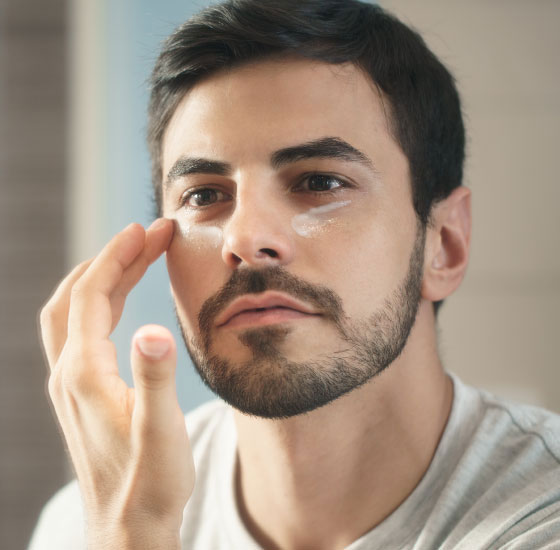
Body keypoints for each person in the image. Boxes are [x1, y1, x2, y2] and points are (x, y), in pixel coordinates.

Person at [29, 1, 560, 549]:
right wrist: (130, 528)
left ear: (443, 245)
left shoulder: (541, 515)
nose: (244, 239)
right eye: (205, 195)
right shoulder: (90, 523)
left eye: (320, 183)